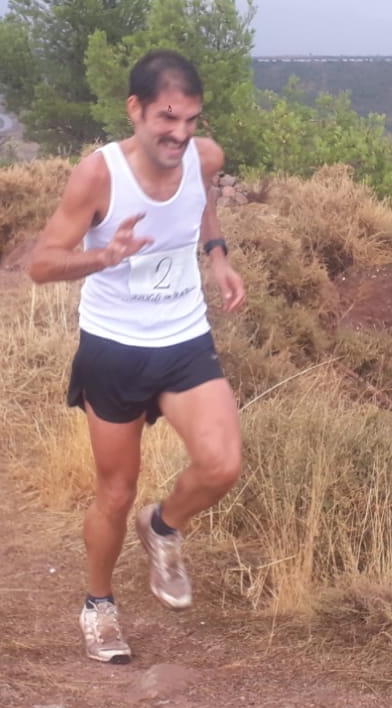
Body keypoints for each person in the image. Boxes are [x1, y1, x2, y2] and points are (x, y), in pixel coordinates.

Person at [26, 49, 247, 664]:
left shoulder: (203, 158)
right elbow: (41, 263)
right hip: (115, 348)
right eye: (167, 119)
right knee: (115, 492)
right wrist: (103, 256)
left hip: (182, 338)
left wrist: (219, 255)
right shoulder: (98, 176)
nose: (180, 134)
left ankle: (165, 526)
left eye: (192, 120)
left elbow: (201, 199)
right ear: (136, 109)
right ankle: (99, 606)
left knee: (222, 464)